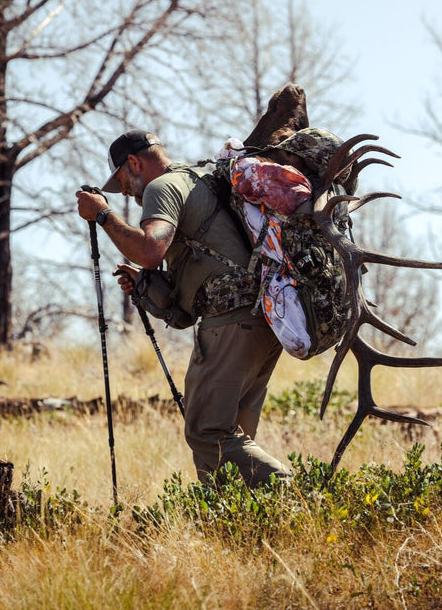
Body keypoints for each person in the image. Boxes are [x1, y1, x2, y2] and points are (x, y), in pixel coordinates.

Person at [76, 130, 290, 487]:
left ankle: (292, 493)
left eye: (122, 180)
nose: (124, 191)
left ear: (134, 163)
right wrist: (147, 286)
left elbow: (149, 251)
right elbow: (196, 279)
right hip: (264, 319)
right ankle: (236, 517)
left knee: (206, 432)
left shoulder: (162, 188)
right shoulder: (199, 179)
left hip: (230, 321)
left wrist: (103, 215)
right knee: (228, 439)